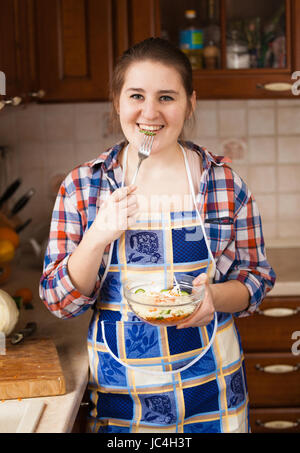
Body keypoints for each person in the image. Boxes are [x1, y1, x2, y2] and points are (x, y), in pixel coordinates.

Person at [40, 37, 276, 433]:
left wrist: (214, 297)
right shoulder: (84, 187)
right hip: (122, 396)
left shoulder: (223, 184)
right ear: (117, 101)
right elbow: (61, 303)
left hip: (213, 392)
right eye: (136, 96)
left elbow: (256, 278)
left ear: (190, 103)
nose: (150, 113)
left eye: (167, 97)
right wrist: (98, 234)